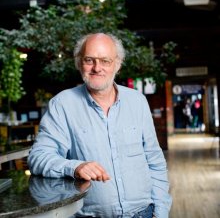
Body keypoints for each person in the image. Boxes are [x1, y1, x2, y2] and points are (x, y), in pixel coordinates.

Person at [28, 33, 172, 218]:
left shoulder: (137, 101)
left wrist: (160, 213)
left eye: (105, 60)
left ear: (117, 64)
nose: (97, 68)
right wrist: (75, 167)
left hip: (144, 213)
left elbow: (155, 161)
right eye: (89, 60)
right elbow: (39, 157)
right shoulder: (62, 104)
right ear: (79, 62)